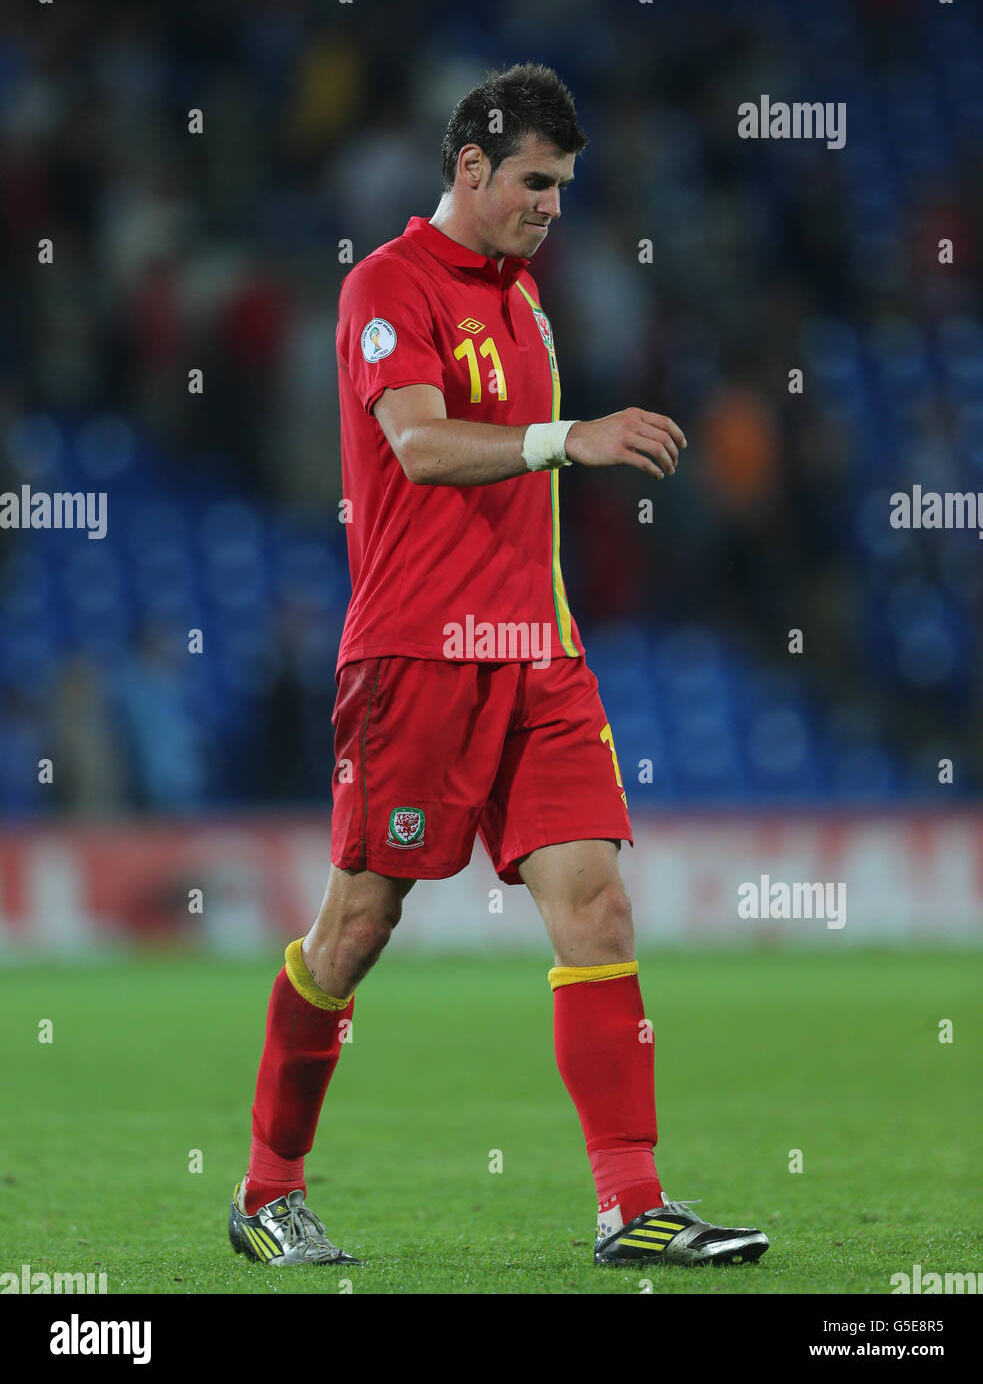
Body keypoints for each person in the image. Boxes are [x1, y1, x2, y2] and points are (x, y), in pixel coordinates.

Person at [228, 61, 768, 1271]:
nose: (552, 206)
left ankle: (631, 1204)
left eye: (563, 185)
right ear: (469, 168)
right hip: (418, 655)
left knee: (598, 905)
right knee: (356, 927)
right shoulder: (386, 284)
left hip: (539, 654)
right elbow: (419, 446)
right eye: (534, 181)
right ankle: (267, 1188)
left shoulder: (526, 299)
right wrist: (569, 437)